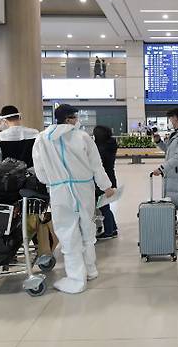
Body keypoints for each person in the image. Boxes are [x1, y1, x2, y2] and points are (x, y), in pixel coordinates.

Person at [33, 104, 115, 294]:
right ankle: (90, 269)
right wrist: (106, 186)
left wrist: (53, 181)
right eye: (75, 117)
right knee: (88, 226)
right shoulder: (82, 137)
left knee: (67, 232)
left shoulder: (42, 139)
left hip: (59, 190)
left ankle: (76, 277)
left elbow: (40, 172)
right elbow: (96, 165)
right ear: (70, 119)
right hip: (84, 188)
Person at [152, 108, 178, 250]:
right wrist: (158, 141)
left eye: (170, 118)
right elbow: (169, 152)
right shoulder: (176, 134)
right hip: (173, 176)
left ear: (175, 118)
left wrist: (162, 168)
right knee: (175, 206)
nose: (169, 121)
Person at [93, 125, 119, 240]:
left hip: (103, 180)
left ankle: (109, 232)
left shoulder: (101, 149)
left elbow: (98, 166)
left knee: (104, 207)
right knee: (105, 206)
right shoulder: (110, 145)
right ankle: (112, 228)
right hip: (110, 177)